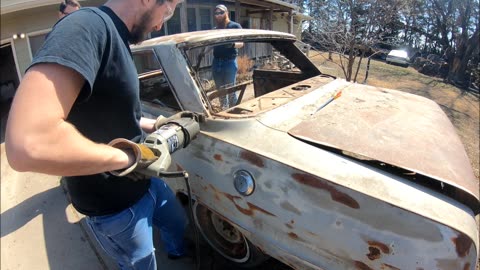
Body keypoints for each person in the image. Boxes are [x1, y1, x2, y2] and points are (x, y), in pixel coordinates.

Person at [5, 0, 187, 269]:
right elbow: (29, 143)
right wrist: (130, 157)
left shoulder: (119, 36)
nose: (162, 23)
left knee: (178, 224)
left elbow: (118, 112)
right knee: (141, 264)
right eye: (168, 10)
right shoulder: (85, 27)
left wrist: (159, 123)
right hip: (114, 207)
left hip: (148, 184)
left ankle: (177, 253)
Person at [212, 4, 243, 109]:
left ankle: (233, 110)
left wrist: (233, 44)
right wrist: (203, 52)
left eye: (221, 12)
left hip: (229, 62)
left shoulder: (235, 26)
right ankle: (224, 110)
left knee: (231, 90)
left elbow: (241, 43)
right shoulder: (215, 29)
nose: (218, 15)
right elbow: (210, 45)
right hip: (216, 62)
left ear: (226, 13)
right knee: (220, 90)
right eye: (216, 13)